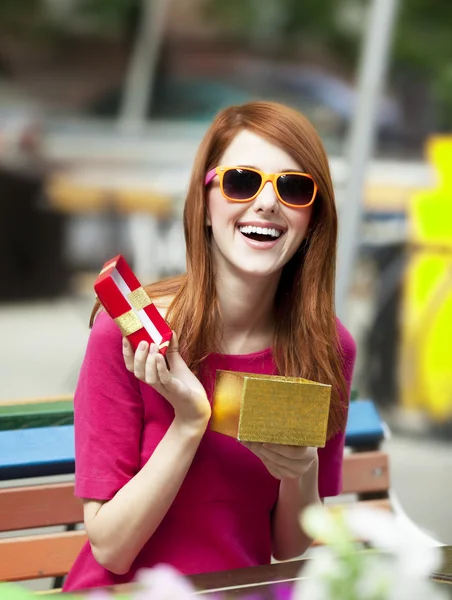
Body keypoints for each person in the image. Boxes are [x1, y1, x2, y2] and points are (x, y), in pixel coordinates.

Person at [63, 101, 356, 592]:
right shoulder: (128, 335)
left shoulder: (325, 347)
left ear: (312, 221)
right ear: (204, 204)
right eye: (242, 181)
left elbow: (288, 546)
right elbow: (110, 548)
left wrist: (300, 469)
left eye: (293, 187)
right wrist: (190, 421)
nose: (267, 203)